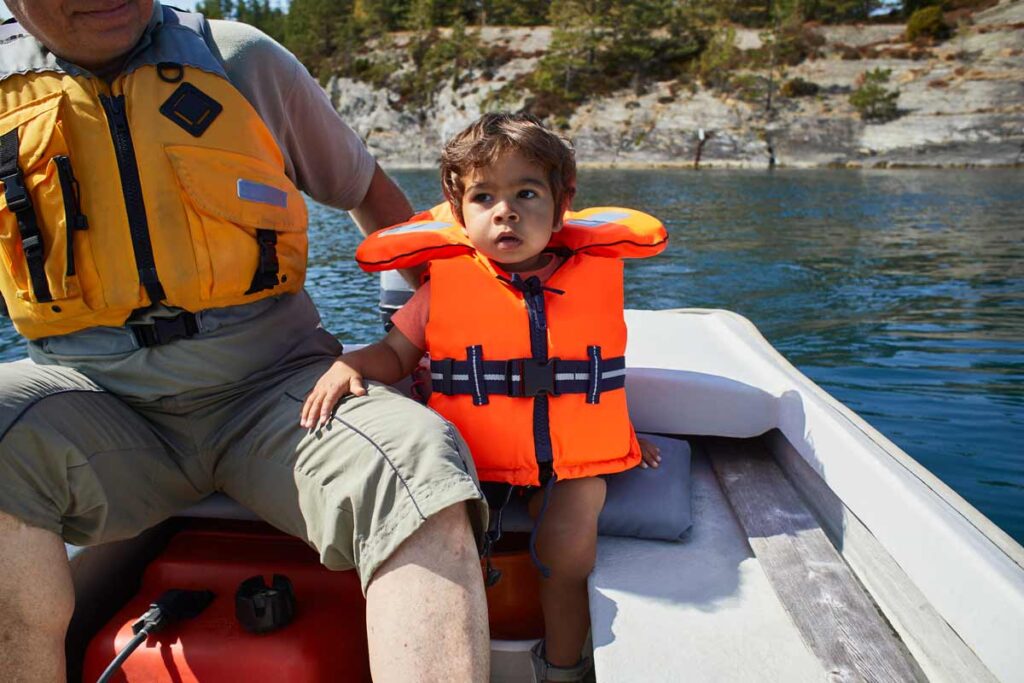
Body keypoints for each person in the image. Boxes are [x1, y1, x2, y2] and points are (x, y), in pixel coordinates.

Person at [0, 1, 490, 680]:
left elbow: (369, 196)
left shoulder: (242, 60)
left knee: (415, 461)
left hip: (277, 396)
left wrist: (465, 318)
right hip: (96, 408)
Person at [302, 112, 666, 682]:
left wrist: (622, 438)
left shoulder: (590, 276)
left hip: (569, 467)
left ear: (562, 202)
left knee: (568, 543)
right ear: (457, 210)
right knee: (430, 530)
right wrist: (347, 364)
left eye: (526, 192)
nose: (506, 211)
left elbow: (593, 380)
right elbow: (396, 356)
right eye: (483, 197)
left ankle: (564, 668)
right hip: (469, 462)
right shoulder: (443, 289)